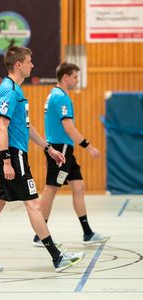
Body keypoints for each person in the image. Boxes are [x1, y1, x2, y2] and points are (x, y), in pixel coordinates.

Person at [0, 47, 85, 273]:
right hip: (13, 154)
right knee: (33, 204)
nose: (33, 65)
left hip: (14, 153)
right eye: (30, 62)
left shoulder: (17, 91)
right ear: (18, 65)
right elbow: (1, 126)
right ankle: (57, 257)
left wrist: (48, 148)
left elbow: (25, 127)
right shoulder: (9, 90)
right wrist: (7, 160)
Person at [33, 62, 110, 247]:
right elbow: (69, 127)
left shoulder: (56, 95)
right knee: (50, 189)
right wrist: (89, 146)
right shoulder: (61, 97)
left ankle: (87, 233)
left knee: (79, 186)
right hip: (61, 149)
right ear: (65, 77)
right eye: (75, 77)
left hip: (64, 148)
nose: (77, 80)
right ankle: (39, 236)